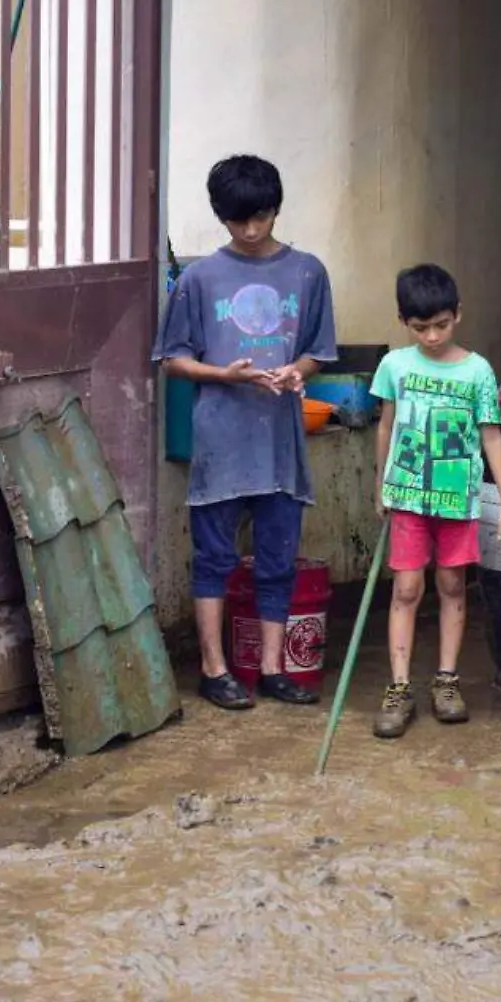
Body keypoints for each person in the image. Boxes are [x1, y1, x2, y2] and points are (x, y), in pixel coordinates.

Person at [152, 154, 338, 711]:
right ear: (221, 217)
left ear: (276, 209)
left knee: (279, 557)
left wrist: (295, 372)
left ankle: (274, 669)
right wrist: (220, 374)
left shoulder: (308, 272)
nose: (252, 231)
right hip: (220, 440)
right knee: (214, 557)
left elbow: (318, 351)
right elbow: (171, 358)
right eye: (239, 222)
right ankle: (214, 669)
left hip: (280, 439)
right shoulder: (200, 278)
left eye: (260, 218)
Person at [369, 264, 501, 738]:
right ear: (403, 322)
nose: (432, 336)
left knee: (453, 585)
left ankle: (447, 681)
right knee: (407, 589)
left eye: (441, 324)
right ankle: (398, 688)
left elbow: (491, 437)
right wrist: (380, 485)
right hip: (408, 497)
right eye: (420, 327)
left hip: (458, 500)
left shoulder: (477, 371)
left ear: (458, 314)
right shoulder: (395, 366)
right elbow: (386, 427)